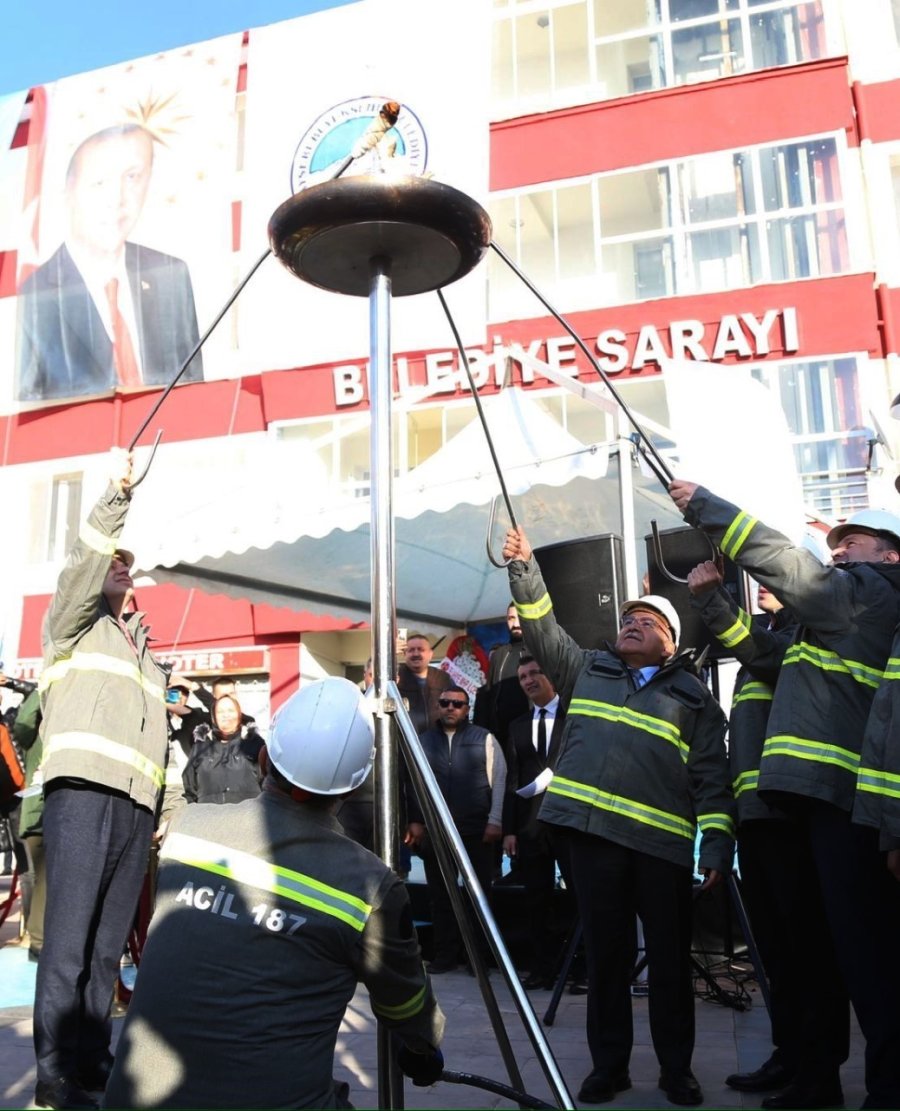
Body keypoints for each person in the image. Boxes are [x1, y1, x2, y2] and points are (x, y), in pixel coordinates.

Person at [104, 676, 445, 1109]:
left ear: (263, 759)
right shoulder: (370, 886)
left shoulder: (188, 830)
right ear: (354, 787)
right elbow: (408, 1008)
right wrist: (422, 1049)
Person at [669, 484, 900, 1110]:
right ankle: (817, 1077)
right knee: (824, 953)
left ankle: (888, 1089)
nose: (840, 552)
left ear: (891, 558)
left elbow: (789, 565)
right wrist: (713, 601)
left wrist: (706, 506)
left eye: (853, 544)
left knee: (868, 959)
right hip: (814, 803)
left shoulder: (870, 595)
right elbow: (764, 652)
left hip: (847, 802)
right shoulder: (841, 612)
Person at [502, 524, 735, 1107]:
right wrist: (525, 567)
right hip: (592, 841)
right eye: (626, 618)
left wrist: (716, 849)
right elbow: (541, 627)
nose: (631, 623)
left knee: (670, 966)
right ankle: (610, 1068)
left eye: (646, 621)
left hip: (661, 849)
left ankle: (676, 1071)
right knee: (606, 961)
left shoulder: (696, 701)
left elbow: (712, 781)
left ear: (670, 641)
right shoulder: (587, 670)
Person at [32, 450, 169, 1111]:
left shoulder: (148, 656)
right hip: (82, 793)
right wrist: (115, 498)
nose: (120, 560)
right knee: (69, 941)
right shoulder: (73, 624)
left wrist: (160, 811)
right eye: (114, 555)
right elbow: (84, 564)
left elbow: (159, 743)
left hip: (135, 810)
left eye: (127, 558)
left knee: (108, 948)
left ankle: (92, 1061)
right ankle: (55, 1072)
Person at [688, 562, 849, 1105]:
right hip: (757, 819)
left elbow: (754, 648)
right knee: (778, 956)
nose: (761, 582)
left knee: (808, 954)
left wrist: (712, 600)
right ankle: (792, 1055)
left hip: (792, 820)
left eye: (775, 577)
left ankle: (818, 1073)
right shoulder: (776, 641)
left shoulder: (808, 643)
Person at [16, 123, 203, 403]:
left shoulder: (170, 275)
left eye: (132, 177)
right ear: (68, 191)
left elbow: (194, 389)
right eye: (99, 182)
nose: (117, 200)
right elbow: (27, 409)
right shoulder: (35, 294)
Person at [404, 684, 506, 974]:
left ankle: (479, 959)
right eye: (445, 703)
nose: (451, 708)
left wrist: (495, 819)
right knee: (441, 897)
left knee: (479, 897)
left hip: (476, 829)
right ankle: (445, 956)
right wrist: (415, 820)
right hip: (437, 831)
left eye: (457, 704)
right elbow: (414, 784)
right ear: (438, 707)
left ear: (467, 709)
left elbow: (498, 780)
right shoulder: (423, 741)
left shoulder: (484, 738)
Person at [502, 655, 569, 990]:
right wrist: (510, 829)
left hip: (570, 826)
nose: (528, 681)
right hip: (530, 828)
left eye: (533, 673)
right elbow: (513, 779)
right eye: (522, 677)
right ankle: (544, 969)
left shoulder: (574, 716)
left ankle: (581, 969)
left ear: (550, 675)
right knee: (537, 902)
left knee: (579, 900)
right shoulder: (516, 726)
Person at [182, 694, 264, 805]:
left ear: (239, 715)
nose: (226, 715)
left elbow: (268, 783)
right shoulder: (200, 747)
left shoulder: (254, 744)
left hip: (247, 816)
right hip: (209, 817)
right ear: (214, 718)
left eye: (231, 710)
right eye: (220, 712)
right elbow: (190, 788)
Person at [473, 602, 529, 748]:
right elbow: (489, 693)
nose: (515, 623)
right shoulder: (499, 655)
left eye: (520, 617)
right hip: (501, 736)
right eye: (511, 618)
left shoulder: (539, 652)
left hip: (531, 733)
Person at [396, 633, 452, 735]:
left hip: (438, 741)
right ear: (404, 654)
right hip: (406, 742)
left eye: (421, 649)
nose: (416, 654)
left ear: (430, 654)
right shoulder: (395, 676)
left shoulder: (443, 678)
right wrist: (388, 655)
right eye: (411, 650)